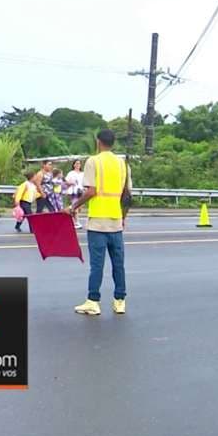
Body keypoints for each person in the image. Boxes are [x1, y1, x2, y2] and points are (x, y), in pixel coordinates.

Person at [68, 129, 131, 316]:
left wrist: (73, 206)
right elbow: (127, 196)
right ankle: (120, 301)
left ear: (98, 142)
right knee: (118, 264)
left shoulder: (93, 162)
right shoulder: (122, 164)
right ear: (113, 142)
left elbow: (91, 191)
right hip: (116, 221)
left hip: (97, 222)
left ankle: (93, 301)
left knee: (97, 265)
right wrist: (123, 217)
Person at [65, 159, 85, 229]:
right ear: (73, 165)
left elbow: (84, 183)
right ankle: (77, 222)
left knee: (79, 207)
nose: (78, 165)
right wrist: (71, 183)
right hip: (73, 191)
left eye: (79, 163)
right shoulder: (71, 173)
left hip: (81, 191)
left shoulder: (83, 173)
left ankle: (71, 217)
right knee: (75, 206)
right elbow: (66, 182)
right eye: (76, 163)